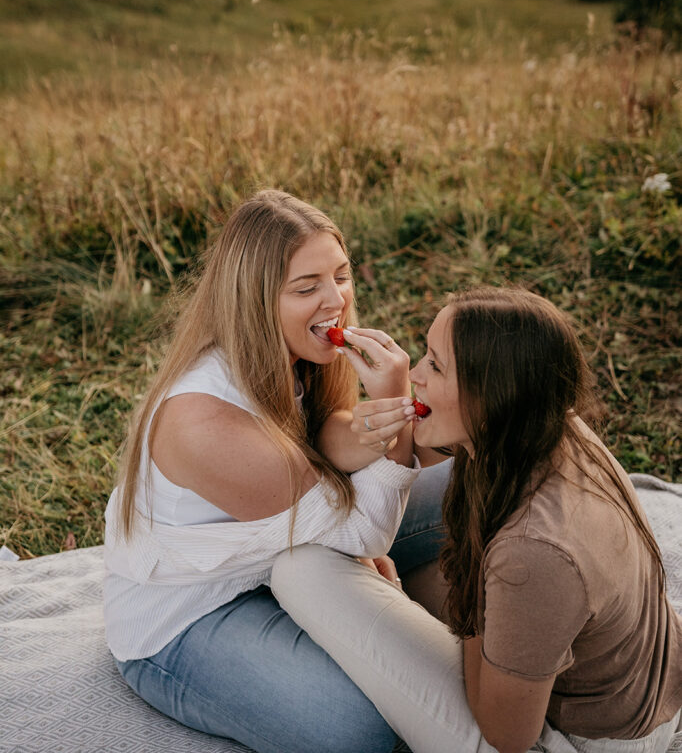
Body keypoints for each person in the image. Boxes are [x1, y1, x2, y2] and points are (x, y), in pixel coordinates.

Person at [103, 189, 449, 753]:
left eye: (340, 275)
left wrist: (378, 426)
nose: (335, 299)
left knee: (469, 483)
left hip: (286, 554)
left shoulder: (294, 356)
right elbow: (362, 532)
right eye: (306, 288)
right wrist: (393, 406)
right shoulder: (202, 419)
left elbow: (328, 435)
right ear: (254, 299)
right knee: (357, 731)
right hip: (195, 610)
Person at [272, 287, 682, 753]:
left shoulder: (533, 553)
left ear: (493, 394)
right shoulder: (542, 423)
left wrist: (465, 597)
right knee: (375, 564)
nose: (415, 375)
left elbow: (507, 734)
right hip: (637, 684)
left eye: (435, 365)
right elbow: (396, 449)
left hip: (582, 738)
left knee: (299, 569)